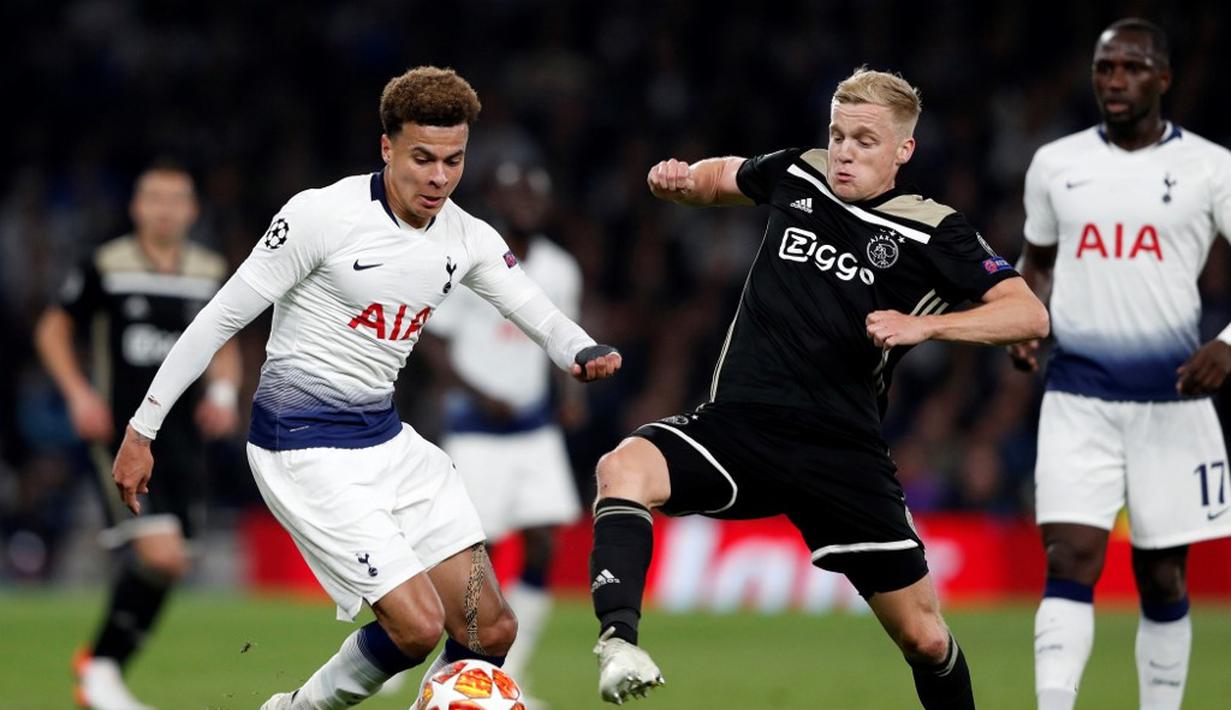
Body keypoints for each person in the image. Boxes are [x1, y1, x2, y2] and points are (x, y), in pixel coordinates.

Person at [108, 66, 620, 710]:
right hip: (303, 448)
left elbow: (537, 311)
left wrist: (582, 351)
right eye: (422, 158)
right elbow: (220, 317)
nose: (438, 177)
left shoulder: (466, 237)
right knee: (415, 627)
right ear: (387, 147)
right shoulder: (322, 216)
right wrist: (142, 428)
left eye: (454, 161)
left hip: (388, 443)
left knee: (490, 630)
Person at [586, 67, 1049, 708]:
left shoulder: (933, 229)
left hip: (842, 451)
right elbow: (728, 176)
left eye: (864, 140)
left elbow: (1028, 313)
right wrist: (685, 182)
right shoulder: (798, 172)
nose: (844, 151)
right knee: (623, 466)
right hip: (739, 425)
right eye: (837, 134)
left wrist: (927, 326)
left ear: (902, 151)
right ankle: (619, 643)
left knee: (924, 639)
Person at [1011, 18, 1231, 710]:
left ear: (1161, 79)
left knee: (1161, 575)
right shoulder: (1055, 164)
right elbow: (1037, 261)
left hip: (1171, 400)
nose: (1113, 80)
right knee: (1067, 558)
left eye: (1131, 67)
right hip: (1076, 395)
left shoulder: (1210, 167)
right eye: (1104, 67)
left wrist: (1227, 344)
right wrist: (1025, 317)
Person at [33, 161, 242, 710]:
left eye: (176, 199)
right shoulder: (107, 266)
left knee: (171, 562)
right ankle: (101, 670)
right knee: (162, 557)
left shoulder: (209, 271)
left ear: (192, 210)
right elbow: (53, 328)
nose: (165, 209)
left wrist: (223, 394)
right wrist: (79, 394)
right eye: (154, 198)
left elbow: (225, 342)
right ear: (136, 207)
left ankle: (101, 670)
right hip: (125, 436)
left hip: (183, 441)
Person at [423, 160, 587, 696]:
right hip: (476, 431)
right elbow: (436, 341)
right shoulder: (473, 260)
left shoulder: (562, 270)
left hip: (535, 430)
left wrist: (568, 396)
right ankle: (461, 671)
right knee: (477, 559)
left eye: (534, 198)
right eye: (516, 197)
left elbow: (561, 337)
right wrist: (477, 394)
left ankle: (513, 671)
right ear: (499, 202)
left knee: (543, 541)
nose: (525, 206)